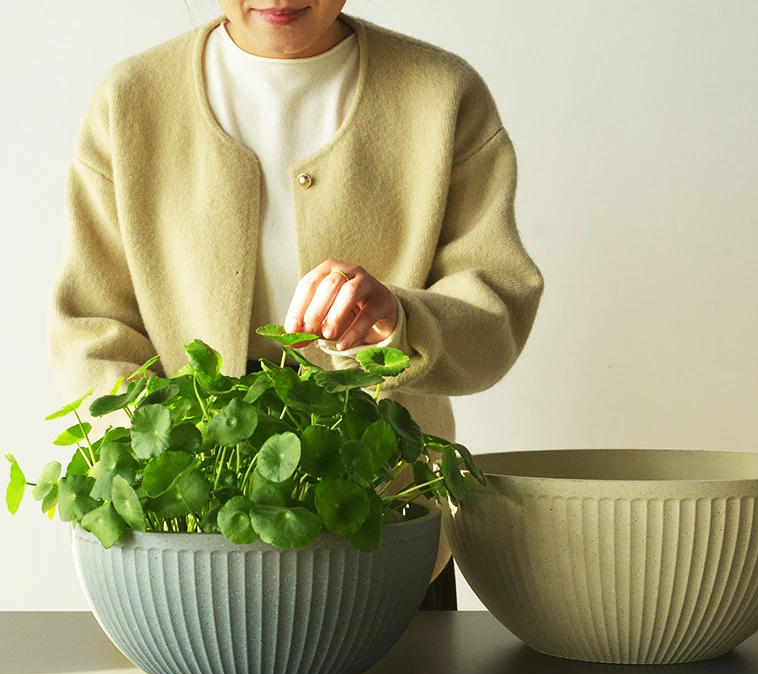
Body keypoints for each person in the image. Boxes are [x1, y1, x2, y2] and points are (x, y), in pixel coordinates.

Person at [48, 1, 545, 608]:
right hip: (181, 551)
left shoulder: (442, 95)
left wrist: (400, 323)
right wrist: (168, 456)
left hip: (387, 528)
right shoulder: (130, 100)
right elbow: (91, 324)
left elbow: (496, 306)